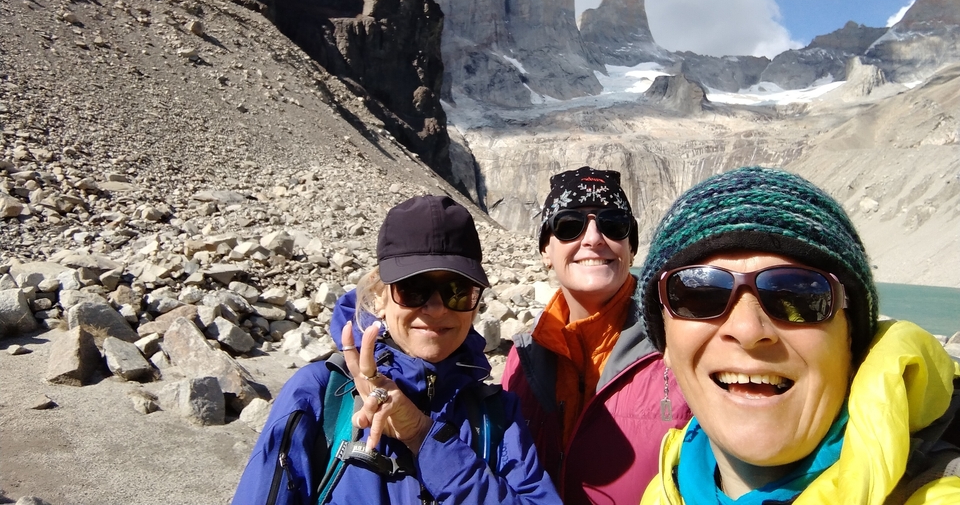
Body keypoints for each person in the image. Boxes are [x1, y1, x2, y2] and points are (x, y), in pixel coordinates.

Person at [636, 166, 960, 505]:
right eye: (699, 296)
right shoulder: (663, 493)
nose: (747, 330)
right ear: (667, 344)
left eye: (798, 297)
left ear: (851, 341)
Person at [233, 194, 561, 505]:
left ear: (475, 304)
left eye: (457, 291)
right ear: (380, 297)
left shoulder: (497, 415)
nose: (436, 308)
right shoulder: (319, 395)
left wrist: (423, 436)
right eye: (413, 289)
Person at [502, 166, 692, 505]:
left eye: (613, 225)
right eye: (569, 226)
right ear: (546, 250)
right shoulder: (523, 356)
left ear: (631, 249)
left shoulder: (679, 346)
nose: (592, 238)